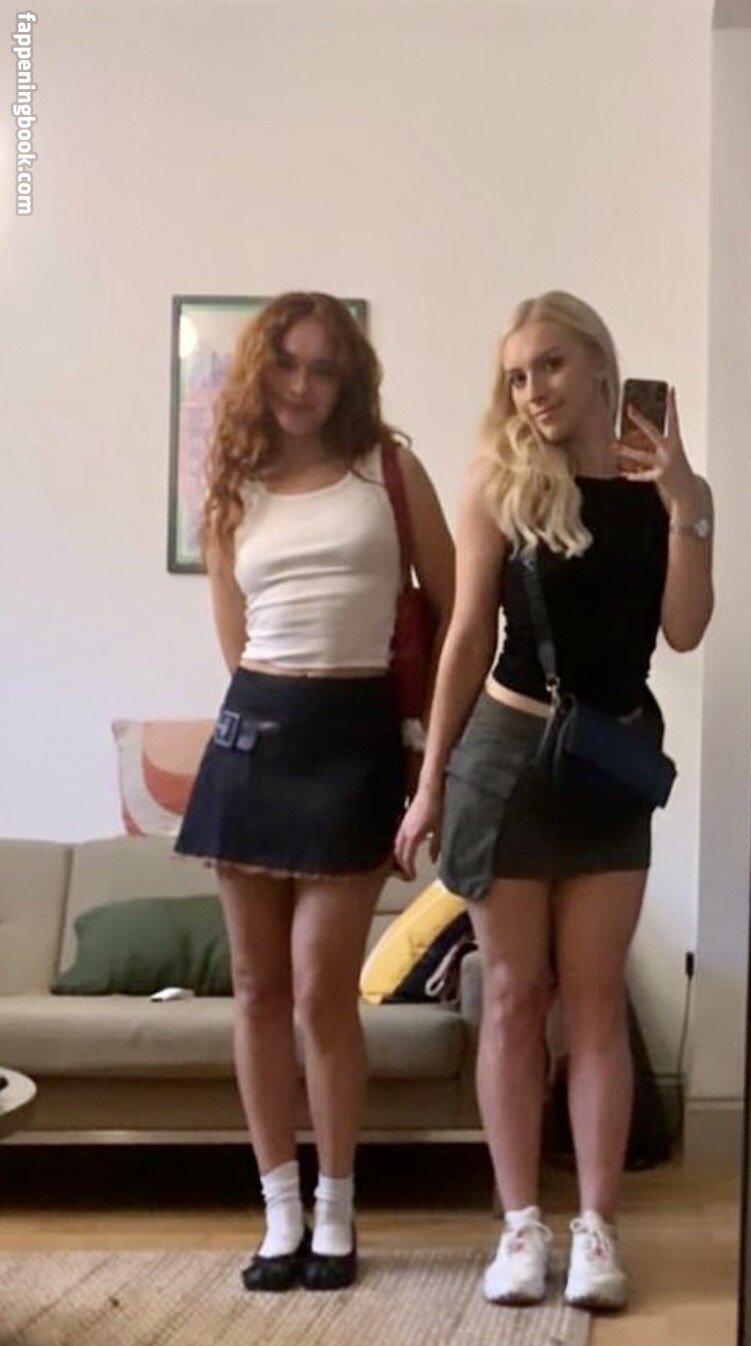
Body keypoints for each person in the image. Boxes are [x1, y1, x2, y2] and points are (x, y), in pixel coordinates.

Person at [395, 291, 714, 1312]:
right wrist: (428, 781)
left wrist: (687, 501)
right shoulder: (499, 481)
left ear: (599, 364)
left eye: (550, 366)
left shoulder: (659, 488)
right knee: (511, 997)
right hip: (506, 754)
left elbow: (684, 628)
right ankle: (520, 1224)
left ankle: (597, 1228)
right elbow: (463, 636)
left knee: (593, 1001)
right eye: (517, 376)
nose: (532, 391)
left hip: (609, 760)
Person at [175, 291, 454, 1292]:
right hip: (254, 738)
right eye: (286, 364)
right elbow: (235, 642)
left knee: (321, 988)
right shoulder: (232, 489)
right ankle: (279, 1212)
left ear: (349, 378)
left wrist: (430, 758)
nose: (301, 385)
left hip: (355, 740)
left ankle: (336, 1210)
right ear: (261, 372)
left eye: (322, 367)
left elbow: (455, 614)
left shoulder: (391, 470)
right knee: (255, 990)